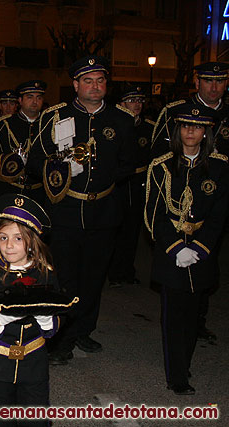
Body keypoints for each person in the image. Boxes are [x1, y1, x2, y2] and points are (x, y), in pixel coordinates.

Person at [27, 55, 136, 365]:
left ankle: (84, 329)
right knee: (64, 276)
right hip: (65, 210)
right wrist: (60, 169)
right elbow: (34, 161)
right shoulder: (55, 116)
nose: (94, 86)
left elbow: (130, 163)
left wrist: (106, 174)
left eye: (100, 80)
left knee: (94, 276)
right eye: (87, 80)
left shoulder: (122, 119)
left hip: (104, 210)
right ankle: (61, 336)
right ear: (75, 84)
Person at [144, 104, 229, 395]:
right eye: (185, 126)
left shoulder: (219, 167)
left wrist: (201, 248)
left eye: (197, 126)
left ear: (206, 132)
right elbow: (153, 214)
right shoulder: (162, 165)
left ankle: (185, 362)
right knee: (173, 316)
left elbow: (219, 215)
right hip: (171, 253)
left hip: (202, 253)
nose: (190, 131)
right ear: (177, 131)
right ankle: (176, 375)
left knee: (193, 316)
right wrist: (175, 247)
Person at [0, 194, 66, 427]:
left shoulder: (45, 274)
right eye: (3, 238)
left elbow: (59, 315)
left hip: (33, 361)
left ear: (32, 242)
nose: (9, 245)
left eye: (18, 239)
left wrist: (46, 319)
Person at [0, 81, 48, 252]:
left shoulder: (49, 124)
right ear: (21, 100)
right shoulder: (4, 124)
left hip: (38, 190)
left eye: (39, 97)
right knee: (3, 234)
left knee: (35, 235)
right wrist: (11, 161)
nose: (34, 101)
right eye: (30, 97)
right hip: (9, 188)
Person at [108, 85, 155, 288]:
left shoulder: (149, 127)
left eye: (139, 101)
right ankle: (113, 271)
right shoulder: (114, 125)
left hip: (139, 182)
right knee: (115, 228)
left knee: (133, 228)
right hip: (119, 182)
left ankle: (127, 270)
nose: (136, 105)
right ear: (121, 104)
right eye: (131, 100)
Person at [151, 62, 229, 157]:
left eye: (219, 82)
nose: (214, 88)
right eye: (208, 81)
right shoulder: (174, 111)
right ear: (197, 83)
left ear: (226, 84)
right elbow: (157, 153)